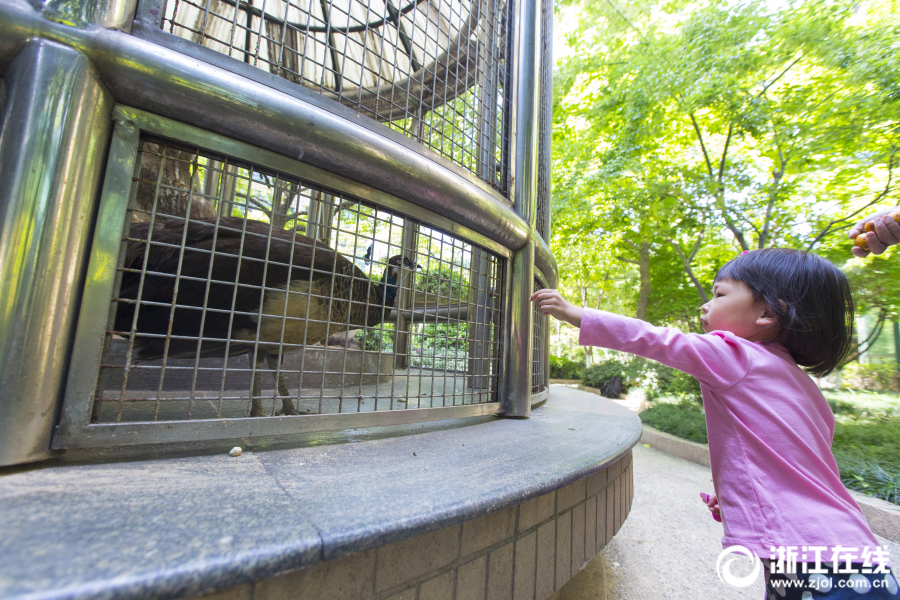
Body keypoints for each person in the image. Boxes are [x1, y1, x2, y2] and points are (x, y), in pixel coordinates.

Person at [531, 249, 898, 598]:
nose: (705, 305)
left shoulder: (735, 355)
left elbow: (657, 340)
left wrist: (576, 314)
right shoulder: (802, 384)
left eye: (720, 294)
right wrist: (746, 492)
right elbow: (797, 457)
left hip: (805, 553)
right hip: (852, 545)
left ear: (768, 313)